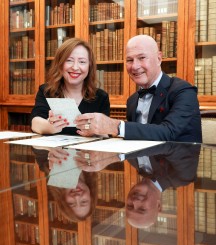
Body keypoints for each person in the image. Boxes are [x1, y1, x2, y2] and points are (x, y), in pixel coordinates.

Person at [74, 35, 202, 143]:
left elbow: (169, 133)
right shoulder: (132, 101)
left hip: (174, 169)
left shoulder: (184, 91)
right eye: (129, 60)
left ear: (159, 58)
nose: (134, 66)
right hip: (140, 170)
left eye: (142, 58)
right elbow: (136, 138)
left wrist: (115, 126)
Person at [30, 38, 110, 136]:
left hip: (85, 150)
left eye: (82, 62)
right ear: (60, 64)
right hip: (54, 150)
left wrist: (95, 130)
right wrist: (49, 127)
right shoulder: (47, 91)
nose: (75, 67)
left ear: (90, 66)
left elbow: (105, 133)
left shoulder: (101, 97)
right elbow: (35, 123)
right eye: (69, 60)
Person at [125, 142, 201, 228]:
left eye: (130, 206)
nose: (135, 202)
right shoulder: (183, 176)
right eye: (142, 209)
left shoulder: (132, 160)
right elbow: (175, 144)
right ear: (159, 206)